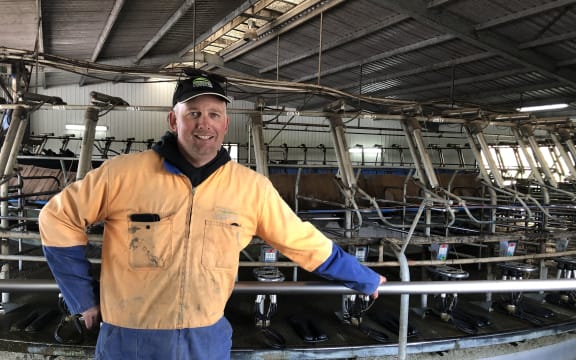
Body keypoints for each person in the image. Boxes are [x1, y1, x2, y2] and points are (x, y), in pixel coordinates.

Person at [39, 72, 387, 360]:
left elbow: (301, 241)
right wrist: (82, 299)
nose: (203, 123)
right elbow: (58, 218)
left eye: (213, 114)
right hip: (128, 339)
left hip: (205, 339)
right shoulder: (122, 174)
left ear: (225, 124)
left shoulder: (251, 187)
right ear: (173, 119)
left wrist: (363, 277)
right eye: (193, 112)